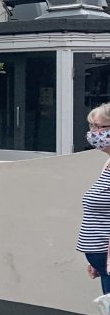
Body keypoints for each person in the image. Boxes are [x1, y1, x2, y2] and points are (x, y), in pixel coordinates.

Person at [79, 102, 110, 295]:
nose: (93, 133)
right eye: (92, 126)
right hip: (102, 262)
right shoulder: (108, 163)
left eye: (99, 127)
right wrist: (95, 261)